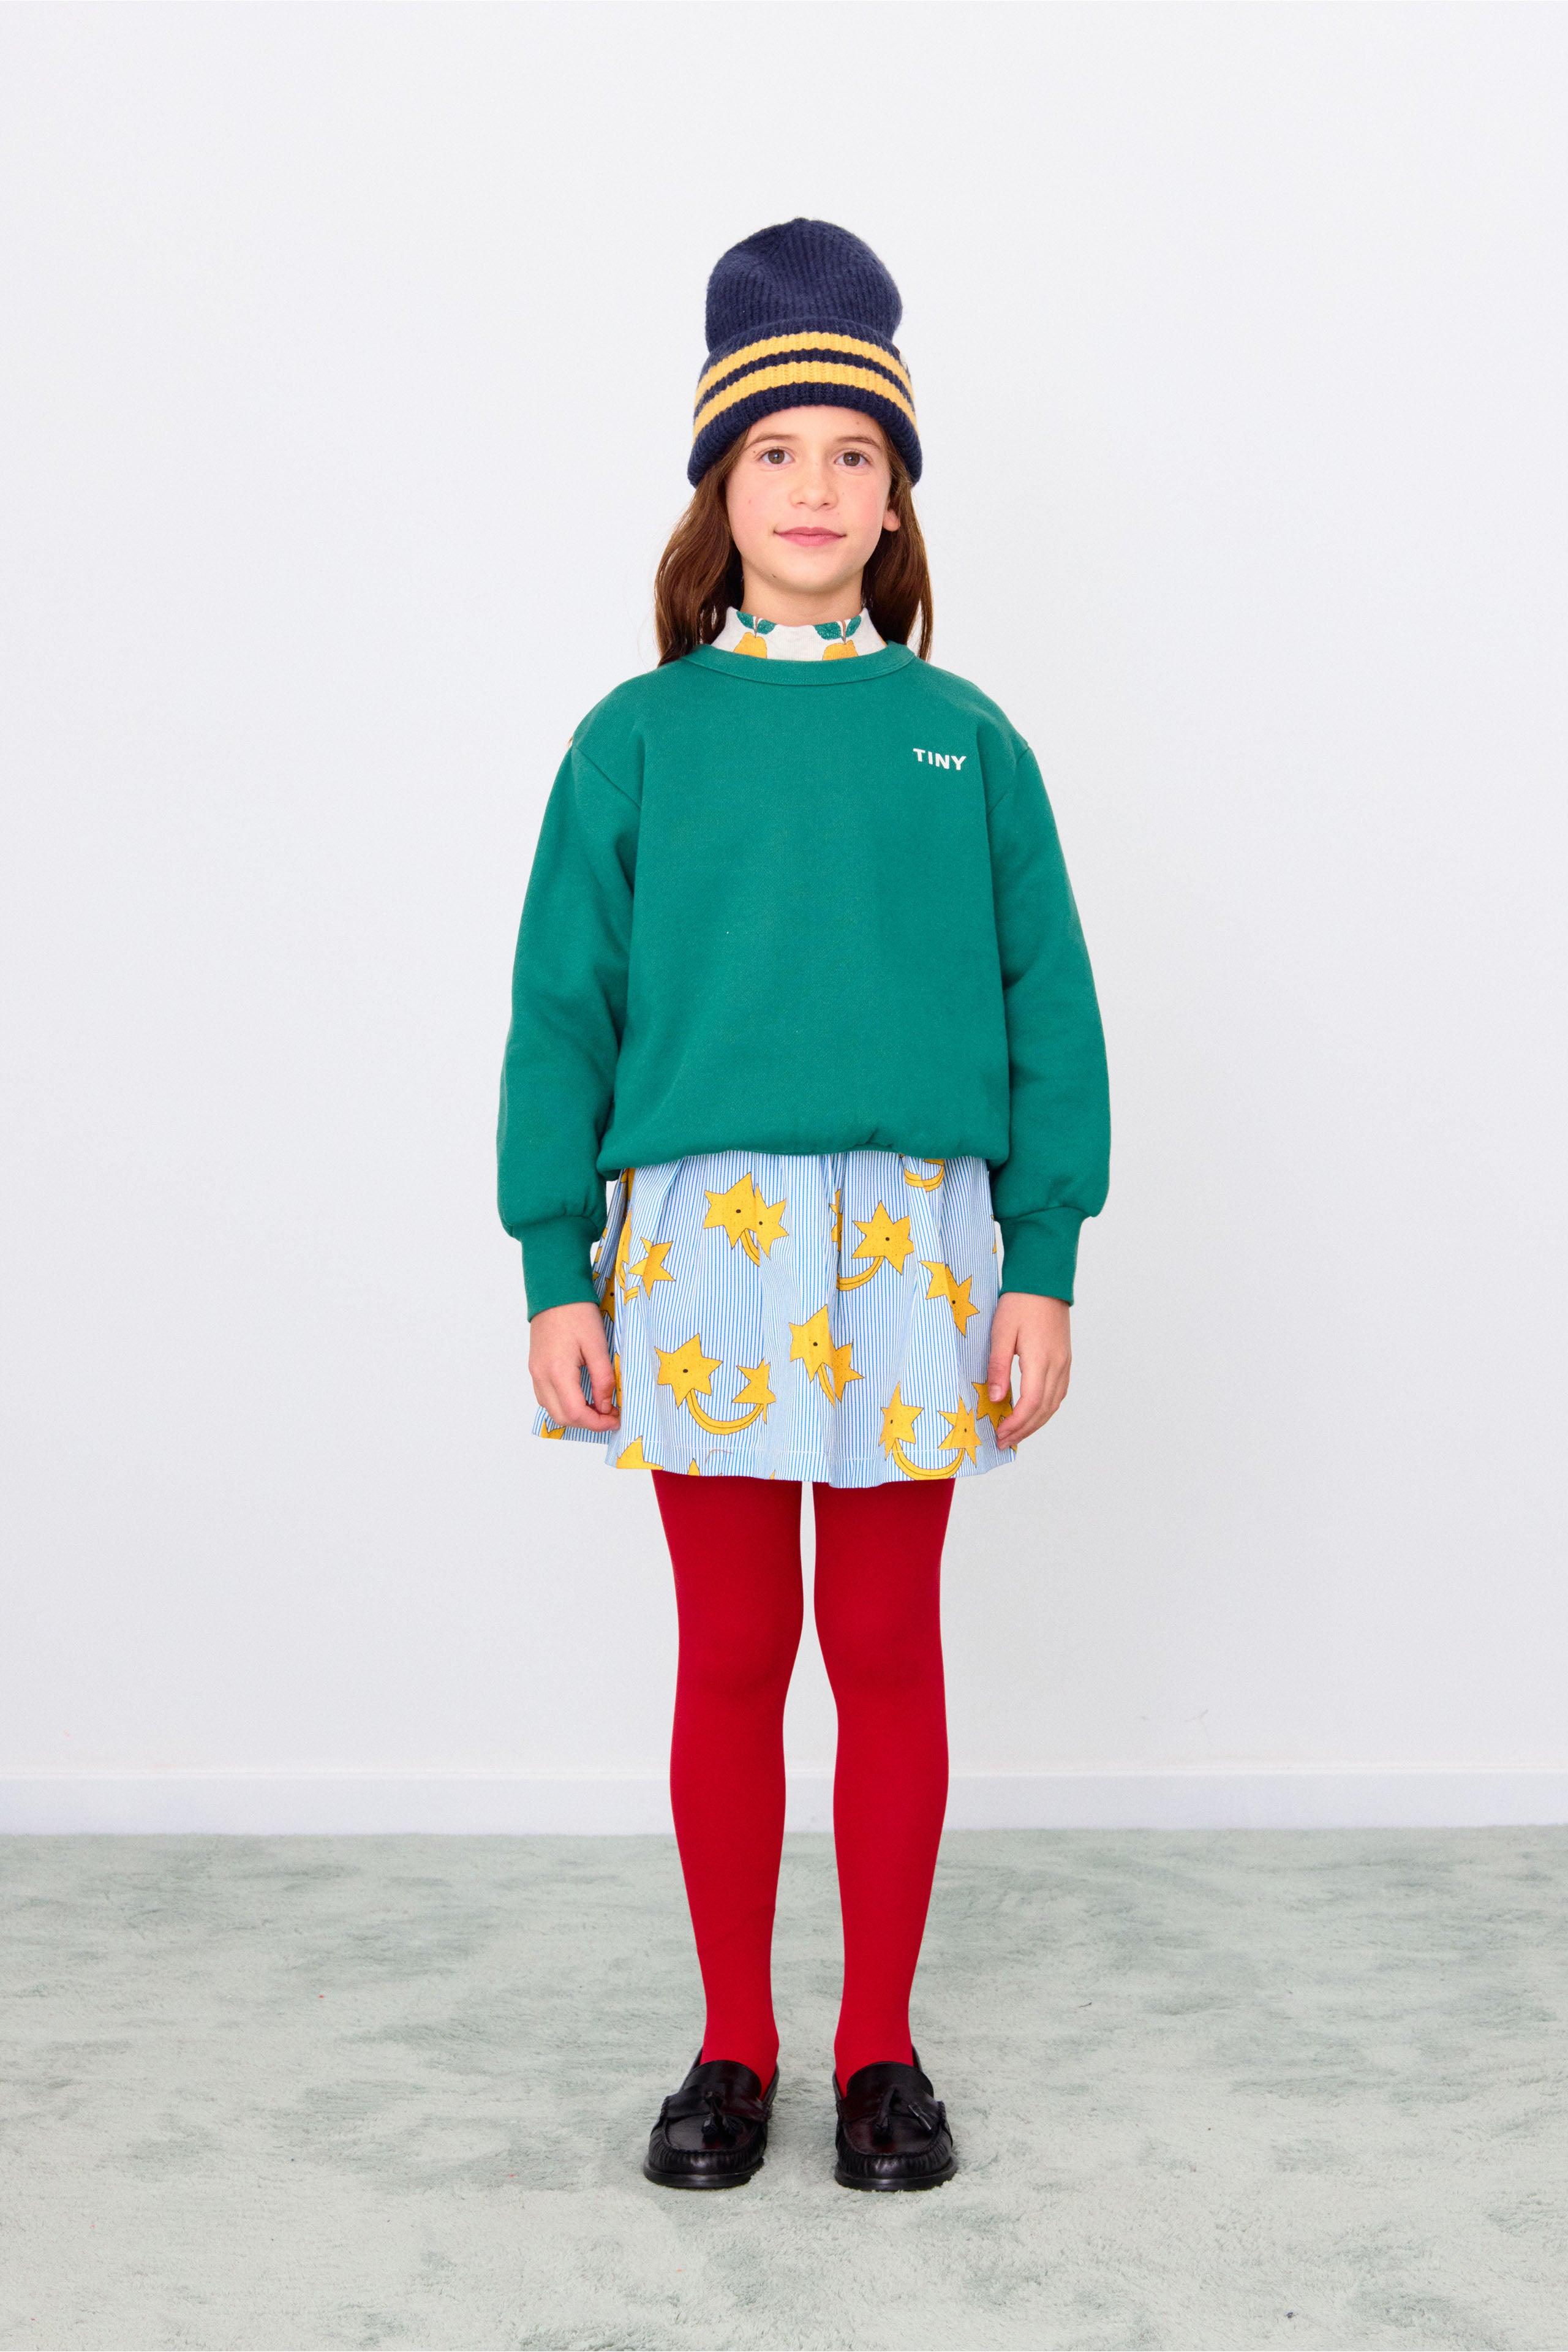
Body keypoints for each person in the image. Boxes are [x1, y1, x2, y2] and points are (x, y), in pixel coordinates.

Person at [497, 217, 1110, 2191]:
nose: (819, 488)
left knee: (891, 1650)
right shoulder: (636, 742)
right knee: (734, 1652)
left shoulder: (967, 741)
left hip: (919, 1246)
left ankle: (882, 2053)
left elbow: (1050, 1010)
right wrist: (556, 1264)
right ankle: (731, 2047)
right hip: (703, 1252)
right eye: (777, 451)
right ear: (719, 485)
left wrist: (1043, 1261)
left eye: (857, 453)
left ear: (899, 496)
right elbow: (563, 1013)